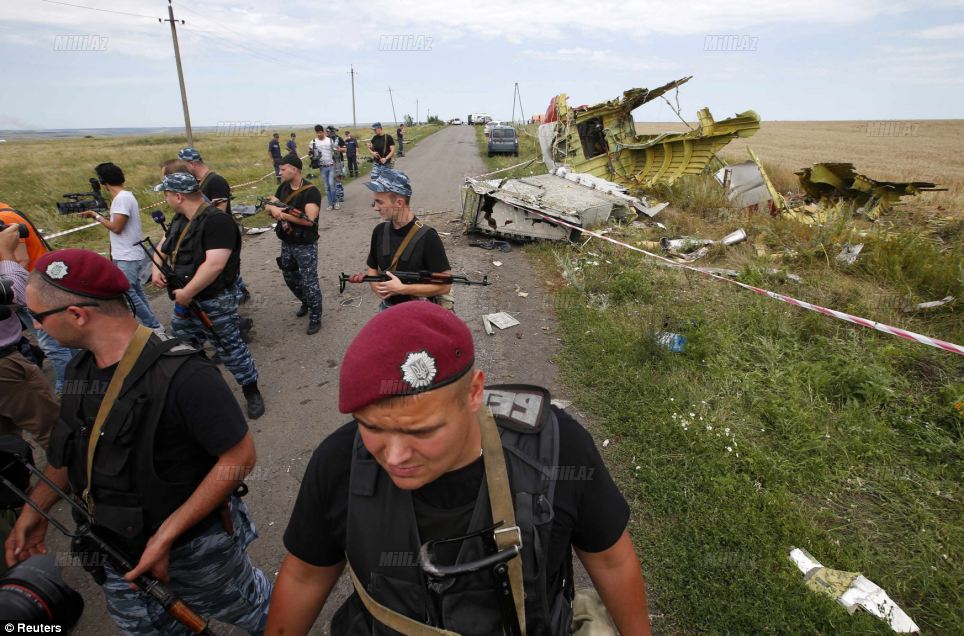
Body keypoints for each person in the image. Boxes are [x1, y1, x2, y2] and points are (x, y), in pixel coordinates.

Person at [267, 301, 652, 635]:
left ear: (473, 393)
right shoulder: (339, 464)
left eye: (422, 431)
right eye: (372, 428)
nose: (395, 456)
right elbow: (305, 577)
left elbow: (610, 559)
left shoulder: (555, 449)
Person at [7, 248, 272, 632]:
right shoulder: (82, 366)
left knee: (264, 615)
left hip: (194, 554)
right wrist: (36, 510)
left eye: (38, 317)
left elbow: (239, 457)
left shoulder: (184, 374)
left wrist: (166, 536)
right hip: (117, 553)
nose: (36, 328)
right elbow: (72, 451)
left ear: (77, 315)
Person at [149, 173, 266, 418]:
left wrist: (187, 293)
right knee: (183, 345)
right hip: (185, 299)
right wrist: (155, 267)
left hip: (213, 299)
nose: (165, 199)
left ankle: (251, 391)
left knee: (229, 347)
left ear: (178, 196)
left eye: (167, 194)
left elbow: (214, 265)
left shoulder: (217, 222)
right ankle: (200, 388)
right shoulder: (181, 219)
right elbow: (165, 243)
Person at [0, 224, 58, 574]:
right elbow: (21, 296)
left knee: (7, 443)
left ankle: (19, 504)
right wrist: (6, 253)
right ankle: (80, 490)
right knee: (57, 432)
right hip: (6, 368)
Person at [77, 163, 163, 336]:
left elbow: (117, 227)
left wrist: (96, 216)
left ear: (102, 181)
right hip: (126, 253)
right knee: (136, 291)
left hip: (128, 255)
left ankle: (153, 326)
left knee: (127, 292)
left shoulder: (122, 199)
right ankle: (153, 324)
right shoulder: (124, 197)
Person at [347, 169, 451, 310]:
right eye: (374, 202)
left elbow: (445, 286)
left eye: (380, 202)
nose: (375, 208)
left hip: (420, 312)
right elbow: (372, 268)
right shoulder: (379, 231)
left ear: (399, 203)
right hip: (388, 308)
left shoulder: (428, 237)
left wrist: (403, 289)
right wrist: (376, 286)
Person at [0, 203, 75, 392]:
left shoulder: (6, 220)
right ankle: (81, 379)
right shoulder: (7, 210)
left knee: (51, 343)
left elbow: (21, 259)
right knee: (64, 338)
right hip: (32, 284)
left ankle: (65, 391)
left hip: (27, 290)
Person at [177, 148, 254, 310]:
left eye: (183, 165)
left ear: (192, 164)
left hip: (220, 237)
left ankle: (234, 308)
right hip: (208, 236)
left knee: (225, 272)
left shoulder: (215, 182)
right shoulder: (200, 182)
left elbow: (220, 212)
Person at [264, 155, 323, 335]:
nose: (279, 172)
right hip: (287, 241)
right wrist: (272, 209)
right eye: (279, 169)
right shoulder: (283, 187)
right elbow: (269, 202)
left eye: (283, 169)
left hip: (304, 244)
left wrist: (281, 214)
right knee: (289, 276)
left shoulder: (311, 191)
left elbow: (309, 221)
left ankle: (316, 316)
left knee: (309, 280)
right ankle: (305, 300)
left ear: (295, 169)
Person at [307, 125, 338, 211]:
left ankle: (335, 202)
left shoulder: (330, 140)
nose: (319, 134)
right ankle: (330, 204)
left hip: (331, 165)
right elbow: (309, 152)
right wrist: (311, 154)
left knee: (331, 184)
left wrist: (337, 150)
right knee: (326, 186)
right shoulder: (313, 142)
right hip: (322, 167)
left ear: (323, 132)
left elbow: (335, 151)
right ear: (316, 133)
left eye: (321, 132)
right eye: (318, 132)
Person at [326, 125, 347, 203]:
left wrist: (339, 149)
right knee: (330, 180)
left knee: (338, 179)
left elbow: (345, 149)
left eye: (332, 131)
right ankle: (333, 195)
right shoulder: (326, 140)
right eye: (329, 131)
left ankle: (339, 195)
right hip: (328, 162)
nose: (331, 133)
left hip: (338, 161)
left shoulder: (339, 139)